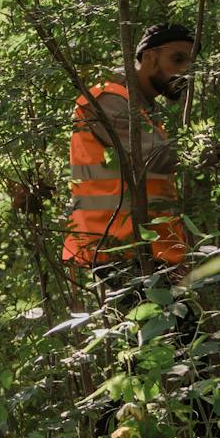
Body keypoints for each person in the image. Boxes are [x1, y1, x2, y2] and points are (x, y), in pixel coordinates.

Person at [61, 23, 196, 284]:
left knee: (184, 325)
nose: (185, 71)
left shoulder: (144, 111)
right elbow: (158, 158)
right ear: (149, 57)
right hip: (120, 253)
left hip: (149, 252)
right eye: (177, 59)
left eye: (190, 63)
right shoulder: (106, 100)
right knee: (180, 325)